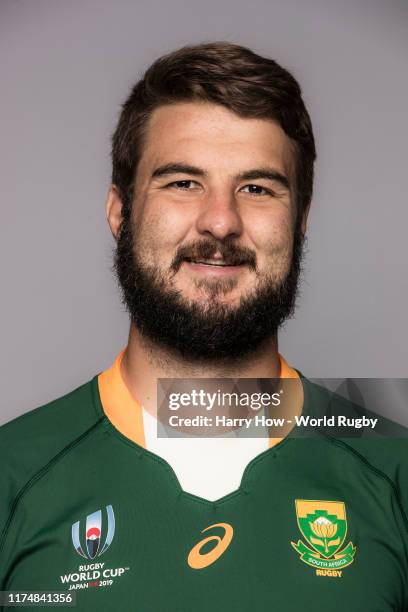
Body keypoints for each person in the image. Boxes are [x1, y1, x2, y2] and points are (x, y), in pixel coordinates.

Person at [0, 42, 407, 612]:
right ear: (120, 213)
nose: (221, 220)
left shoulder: (394, 470)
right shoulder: (13, 474)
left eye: (258, 188)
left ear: (301, 220)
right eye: (183, 182)